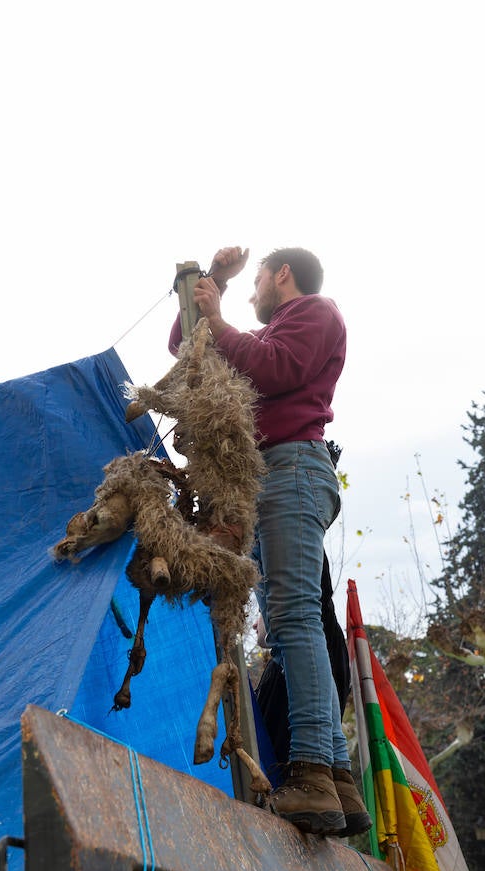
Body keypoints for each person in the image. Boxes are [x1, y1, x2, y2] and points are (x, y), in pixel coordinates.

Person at [173, 245, 352, 835]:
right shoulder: (266, 332)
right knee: (288, 621)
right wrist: (210, 287)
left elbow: (273, 366)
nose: (250, 295)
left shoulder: (316, 312)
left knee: (295, 619)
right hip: (270, 477)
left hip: (291, 469)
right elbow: (187, 346)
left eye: (253, 282)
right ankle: (335, 774)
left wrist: (221, 319)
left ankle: (310, 772)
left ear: (282, 275)